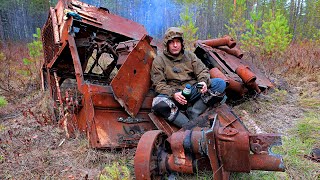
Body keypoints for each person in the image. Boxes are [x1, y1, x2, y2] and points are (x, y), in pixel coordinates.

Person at [151, 27, 226, 127]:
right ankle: (188, 126)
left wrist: (203, 82)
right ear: (167, 44)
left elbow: (202, 71)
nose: (175, 45)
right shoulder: (159, 60)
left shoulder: (190, 56)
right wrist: (174, 94)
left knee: (219, 84)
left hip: (192, 90)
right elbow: (158, 84)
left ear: (182, 43)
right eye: (171, 42)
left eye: (178, 41)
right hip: (175, 95)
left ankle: (194, 111)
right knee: (158, 103)